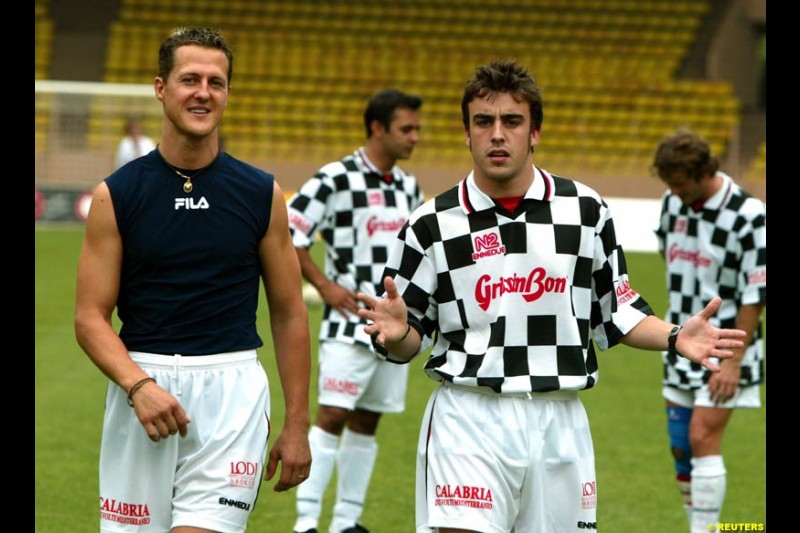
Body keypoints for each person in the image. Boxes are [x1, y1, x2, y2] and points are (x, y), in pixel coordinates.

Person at [355, 60, 747, 533]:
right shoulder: (431, 224)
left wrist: (677, 335)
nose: (497, 135)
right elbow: (409, 336)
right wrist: (398, 335)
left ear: (535, 132)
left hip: (559, 421)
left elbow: (617, 311)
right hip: (468, 416)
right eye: (484, 122)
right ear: (466, 132)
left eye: (512, 121)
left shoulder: (584, 212)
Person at [74, 27, 313, 533]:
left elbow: (290, 311)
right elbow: (90, 317)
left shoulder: (261, 193)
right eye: (190, 79)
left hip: (232, 394)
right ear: (161, 87)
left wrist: (297, 424)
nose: (204, 92)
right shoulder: (115, 195)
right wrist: (138, 385)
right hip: (142, 391)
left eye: (216, 82)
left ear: (228, 92)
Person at [286, 89, 424, 533]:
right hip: (347, 325)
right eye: (407, 128)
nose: (415, 137)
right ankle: (307, 522)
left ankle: (347, 522)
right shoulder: (336, 177)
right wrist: (323, 285)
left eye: (417, 128)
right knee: (332, 415)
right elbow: (289, 232)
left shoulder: (408, 185)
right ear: (377, 128)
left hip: (393, 328)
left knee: (367, 421)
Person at [652, 129, 766, 533]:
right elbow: (669, 258)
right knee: (681, 447)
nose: (675, 192)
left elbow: (757, 292)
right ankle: (703, 527)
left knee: (702, 437)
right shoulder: (672, 203)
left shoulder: (749, 215)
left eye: (680, 184)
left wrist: (734, 362)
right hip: (682, 341)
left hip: (727, 348)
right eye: (670, 185)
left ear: (704, 172)